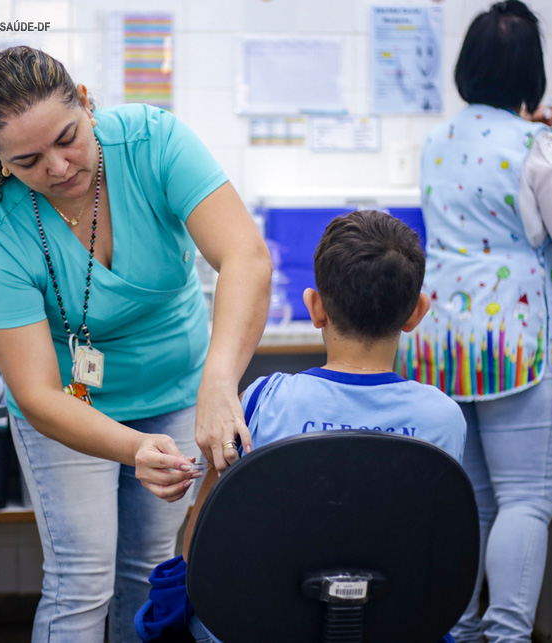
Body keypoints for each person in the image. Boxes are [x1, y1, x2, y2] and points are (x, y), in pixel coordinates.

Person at [0, 46, 272, 643]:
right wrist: (133, 448)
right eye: (29, 160)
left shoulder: (154, 143)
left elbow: (245, 256)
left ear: (87, 102)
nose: (60, 167)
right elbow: (38, 394)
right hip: (71, 407)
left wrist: (219, 384)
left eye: (68, 138)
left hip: (177, 386)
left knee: (148, 572)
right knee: (81, 579)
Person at [135, 210, 468, 643]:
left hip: (258, 626)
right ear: (417, 312)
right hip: (394, 626)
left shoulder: (264, 400)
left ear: (315, 308)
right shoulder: (443, 418)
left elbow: (201, 548)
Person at [396, 3, 552, 642]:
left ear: (467, 66)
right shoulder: (538, 146)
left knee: (471, 498)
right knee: (527, 498)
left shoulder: (437, 142)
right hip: (514, 342)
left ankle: (460, 630)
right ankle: (507, 635)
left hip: (439, 343)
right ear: (532, 72)